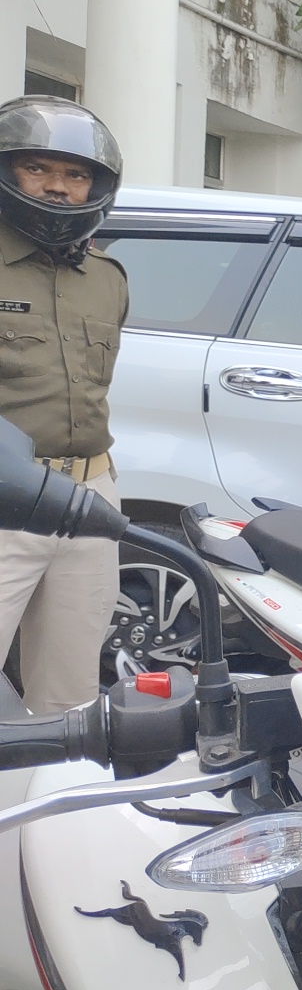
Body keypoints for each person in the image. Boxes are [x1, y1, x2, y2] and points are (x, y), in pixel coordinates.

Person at [0, 95, 127, 713]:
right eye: (39, 169)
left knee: (72, 704)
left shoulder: (107, 277)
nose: (58, 188)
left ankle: (49, 812)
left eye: (76, 175)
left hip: (88, 498)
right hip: (4, 502)